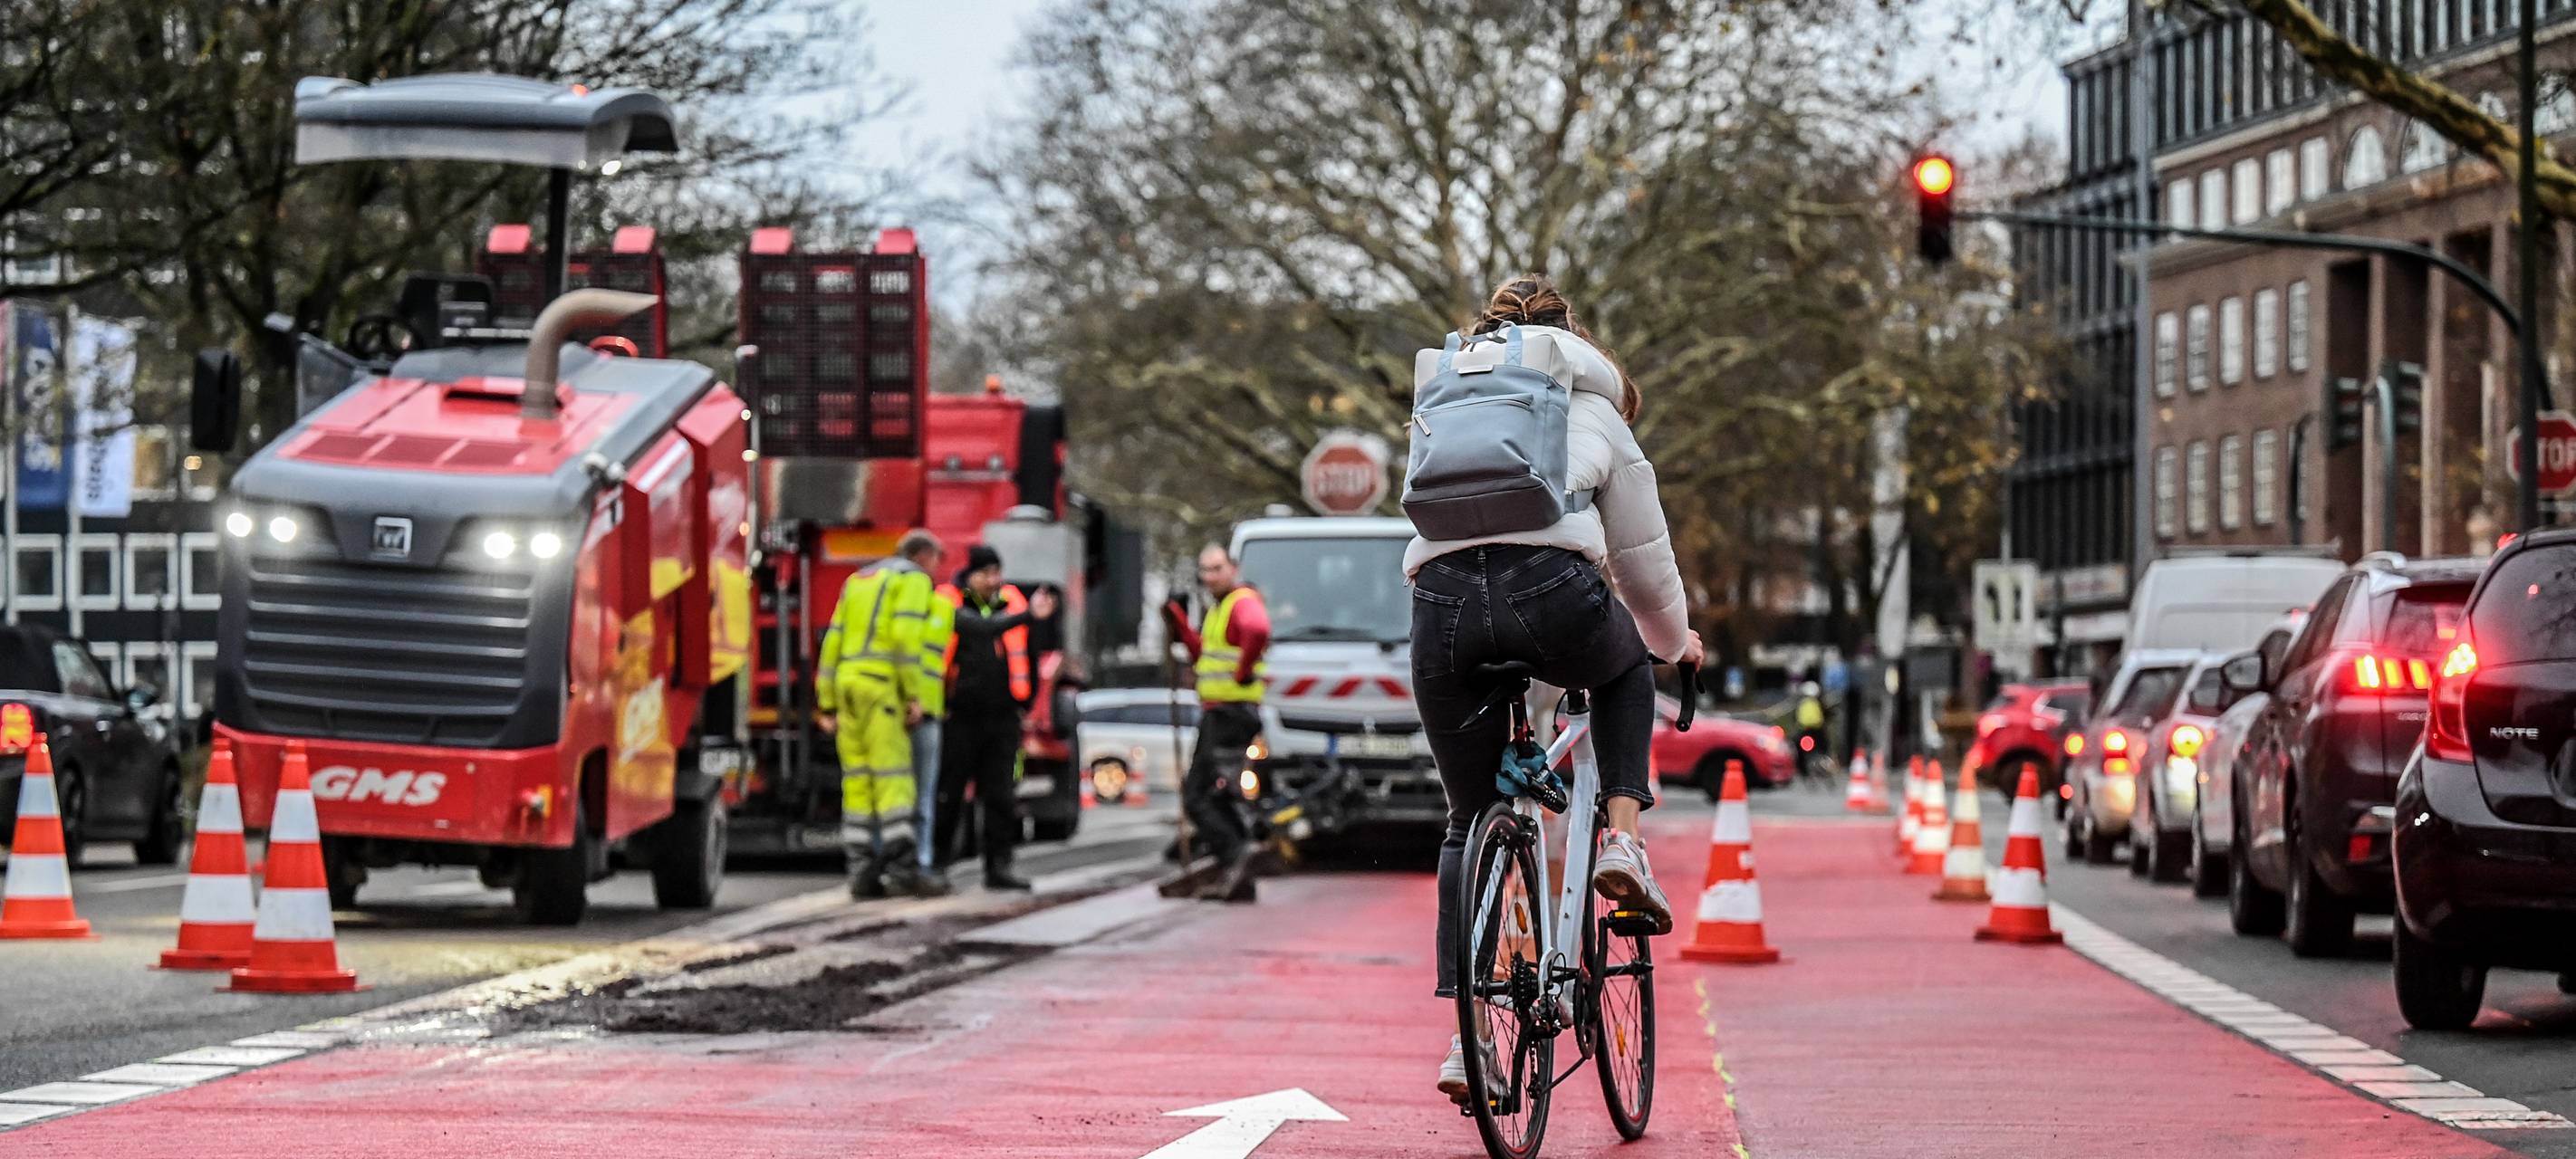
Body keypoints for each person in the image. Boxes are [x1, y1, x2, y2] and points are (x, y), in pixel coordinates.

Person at [1405, 274, 1702, 1105]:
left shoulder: (1447, 402)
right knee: (1625, 668)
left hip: (1441, 610)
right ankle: (1621, 841)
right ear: (1576, 341)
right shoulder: (1596, 409)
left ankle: (1469, 1039)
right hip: (1553, 593)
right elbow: (1643, 556)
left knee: (1468, 821)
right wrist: (1675, 642)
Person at [818, 530, 942, 899]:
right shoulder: (913, 580)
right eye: (936, 561)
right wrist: (912, 695)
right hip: (882, 688)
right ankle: (905, 873)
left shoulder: (859, 581)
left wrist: (826, 703)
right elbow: (904, 640)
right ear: (923, 557)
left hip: (847, 686)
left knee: (857, 784)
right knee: (894, 781)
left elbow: (833, 641)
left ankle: (861, 873)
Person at [934, 545, 1059, 891]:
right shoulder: (949, 601)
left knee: (1001, 795)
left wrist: (1026, 703)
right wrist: (1029, 616)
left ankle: (999, 866)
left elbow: (1028, 655)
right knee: (950, 794)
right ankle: (937, 864)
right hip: (959, 716)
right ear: (970, 575)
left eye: (997, 572)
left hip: (1003, 718)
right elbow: (981, 629)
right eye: (987, 573)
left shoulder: (1013, 601)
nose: (994, 580)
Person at [1162, 544, 1270, 886]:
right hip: (1223, 713)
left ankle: (1235, 852)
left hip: (1229, 713)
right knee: (1218, 791)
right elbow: (1203, 656)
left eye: (1216, 568)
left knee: (1198, 794)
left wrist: (1242, 672)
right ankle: (1239, 856)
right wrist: (1179, 624)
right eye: (1204, 571)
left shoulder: (1241, 603)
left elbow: (1258, 631)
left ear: (1232, 568)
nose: (1209, 577)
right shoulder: (1218, 610)